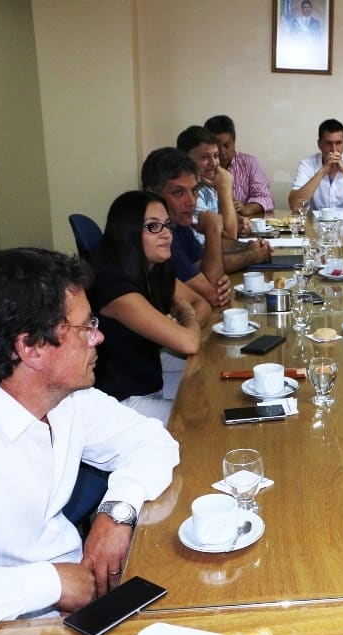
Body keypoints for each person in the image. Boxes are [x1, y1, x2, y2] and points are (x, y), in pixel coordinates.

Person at [0, 248, 178, 635]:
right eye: (85, 327)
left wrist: (116, 511)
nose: (99, 337)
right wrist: (48, 583)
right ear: (31, 348)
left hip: (75, 609)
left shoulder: (66, 400)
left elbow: (152, 441)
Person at [89, 191, 211, 425]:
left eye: (167, 225)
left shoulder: (155, 267)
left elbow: (201, 304)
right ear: (129, 234)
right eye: (153, 227)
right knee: (202, 421)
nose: (166, 234)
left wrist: (179, 324)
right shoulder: (115, 289)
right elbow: (189, 341)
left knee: (212, 387)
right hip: (121, 403)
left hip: (151, 379)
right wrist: (184, 318)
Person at [141, 147, 269, 308]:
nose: (191, 201)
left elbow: (208, 275)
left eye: (194, 191)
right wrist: (213, 229)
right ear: (152, 194)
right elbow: (215, 295)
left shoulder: (177, 224)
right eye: (178, 193)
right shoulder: (155, 235)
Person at [176, 125, 244, 239]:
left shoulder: (207, 187)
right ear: (186, 160)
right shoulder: (190, 195)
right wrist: (224, 189)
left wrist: (238, 222)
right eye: (205, 157)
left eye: (216, 156)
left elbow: (221, 224)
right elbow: (228, 239)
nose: (214, 163)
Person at [288, 119, 343, 212]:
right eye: (329, 143)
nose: (334, 149)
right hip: (315, 223)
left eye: (338, 143)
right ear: (319, 144)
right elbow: (294, 206)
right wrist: (322, 171)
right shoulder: (307, 164)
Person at [204, 114, 274, 217]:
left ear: (234, 142)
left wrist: (246, 208)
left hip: (243, 225)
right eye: (217, 146)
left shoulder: (249, 163)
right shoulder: (202, 167)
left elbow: (266, 198)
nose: (222, 151)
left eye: (227, 145)